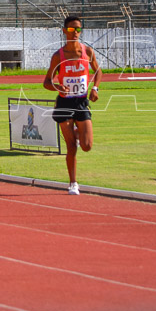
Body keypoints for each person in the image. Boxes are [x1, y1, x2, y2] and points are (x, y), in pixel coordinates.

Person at [42, 16, 102, 195]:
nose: (75, 32)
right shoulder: (58, 56)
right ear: (64, 31)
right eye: (71, 29)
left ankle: (77, 132)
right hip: (64, 103)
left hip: (81, 102)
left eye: (78, 29)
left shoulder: (87, 52)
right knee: (71, 146)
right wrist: (57, 85)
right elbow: (46, 81)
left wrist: (95, 88)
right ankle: (73, 183)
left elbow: (98, 71)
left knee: (87, 146)